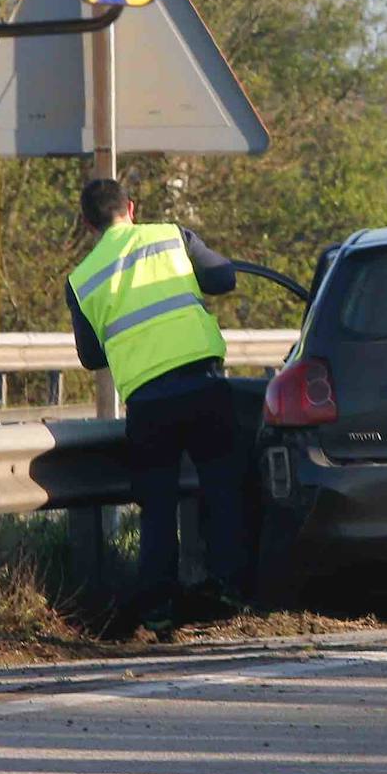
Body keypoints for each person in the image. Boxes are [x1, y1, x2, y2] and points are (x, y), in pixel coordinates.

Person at [66, 178, 246, 635]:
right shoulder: (171, 235)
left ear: (88, 224)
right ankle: (228, 586)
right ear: (131, 206)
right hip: (202, 383)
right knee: (222, 485)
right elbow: (225, 278)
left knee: (157, 505)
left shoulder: (81, 280)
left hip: (147, 401)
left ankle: (159, 608)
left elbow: (90, 357)